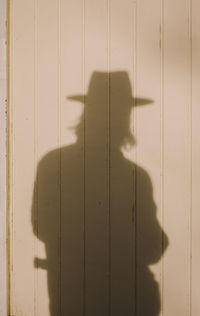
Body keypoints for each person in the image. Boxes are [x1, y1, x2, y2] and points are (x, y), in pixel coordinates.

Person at [32, 71, 168, 316]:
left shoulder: (53, 164)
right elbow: (154, 246)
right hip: (130, 299)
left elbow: (43, 227)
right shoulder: (136, 177)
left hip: (73, 297)